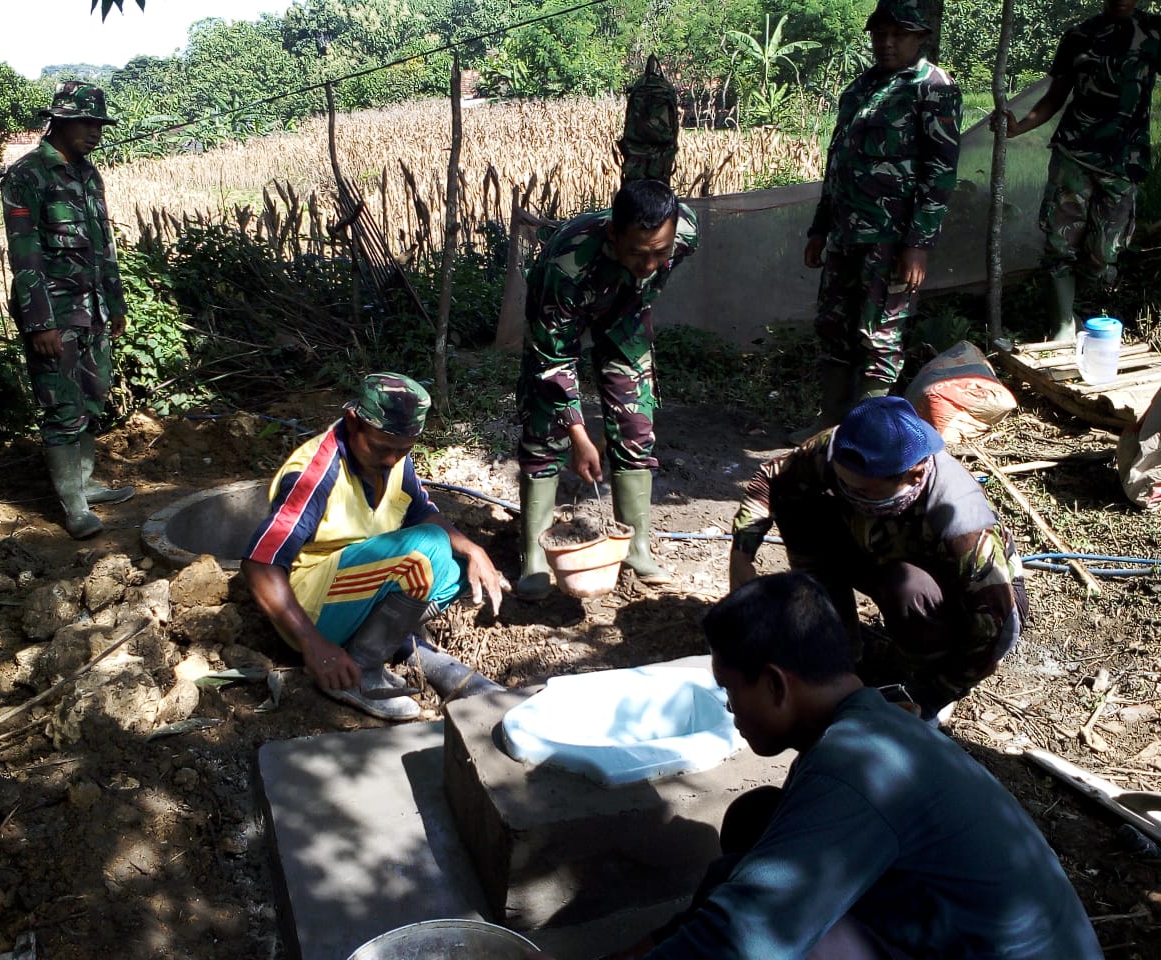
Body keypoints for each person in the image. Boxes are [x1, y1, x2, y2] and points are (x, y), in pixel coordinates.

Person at [576, 573, 1104, 960]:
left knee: (788, 941)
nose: (730, 708)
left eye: (731, 690)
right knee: (758, 822)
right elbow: (738, 894)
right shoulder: (870, 724)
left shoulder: (854, 773)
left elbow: (740, 939)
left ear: (778, 685)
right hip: (967, 933)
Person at [729, 396, 1026, 717]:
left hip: (955, 596)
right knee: (799, 505)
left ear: (914, 474)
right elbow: (773, 477)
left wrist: (935, 693)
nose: (848, 492)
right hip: (878, 547)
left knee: (908, 588)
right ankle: (838, 646)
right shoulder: (837, 452)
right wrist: (741, 554)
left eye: (864, 491)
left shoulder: (961, 523)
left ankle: (922, 670)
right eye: (842, 483)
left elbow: (995, 631)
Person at [241, 372, 504, 721]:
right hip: (309, 608)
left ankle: (378, 644)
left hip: (357, 585)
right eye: (382, 448)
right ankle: (358, 673)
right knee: (423, 552)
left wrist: (474, 550)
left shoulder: (393, 455)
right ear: (353, 421)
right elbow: (261, 562)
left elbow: (420, 511)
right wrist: (315, 646)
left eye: (403, 450)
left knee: (458, 568)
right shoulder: (316, 473)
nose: (392, 460)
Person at [515, 178, 699, 599]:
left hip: (625, 313)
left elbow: (653, 265)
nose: (651, 263)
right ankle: (535, 557)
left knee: (635, 424)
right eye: (638, 252)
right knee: (546, 427)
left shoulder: (686, 232)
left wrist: (612, 424)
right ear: (614, 235)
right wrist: (580, 435)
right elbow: (554, 361)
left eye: (661, 253)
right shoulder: (565, 266)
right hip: (564, 313)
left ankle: (635, 549)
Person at [791, 0, 962, 443]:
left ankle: (863, 437)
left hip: (892, 238)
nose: (886, 42)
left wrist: (919, 243)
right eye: (879, 34)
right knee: (833, 325)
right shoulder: (862, 87)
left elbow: (939, 172)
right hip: (846, 233)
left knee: (879, 335)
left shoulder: (932, 87)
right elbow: (838, 162)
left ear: (920, 38)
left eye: (898, 34)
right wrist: (819, 227)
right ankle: (829, 425)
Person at [1, 80, 134, 539]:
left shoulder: (88, 175)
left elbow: (105, 244)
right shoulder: (27, 175)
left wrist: (115, 303)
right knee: (61, 407)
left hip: (94, 311)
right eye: (87, 122)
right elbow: (25, 253)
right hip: (55, 315)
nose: (95, 131)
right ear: (59, 120)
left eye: (99, 123)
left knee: (93, 400)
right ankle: (74, 507)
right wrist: (40, 321)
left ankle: (85, 483)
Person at [996, 0, 1161, 342]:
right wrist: (1017, 128)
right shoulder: (1080, 35)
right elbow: (1056, 95)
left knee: (1106, 251)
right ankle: (1062, 326)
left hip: (1124, 160)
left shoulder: (1153, 31)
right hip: (1074, 153)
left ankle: (1084, 310)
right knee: (1060, 243)